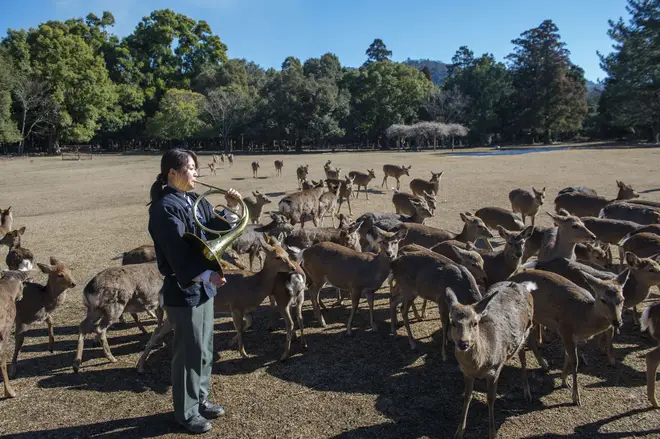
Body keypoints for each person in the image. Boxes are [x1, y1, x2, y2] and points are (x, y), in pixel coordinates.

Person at [148, 148, 242, 434]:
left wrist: (230, 209)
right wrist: (206, 274)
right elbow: (177, 252)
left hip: (203, 289)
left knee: (204, 349)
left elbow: (211, 232)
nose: (196, 173)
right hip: (184, 289)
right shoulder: (164, 208)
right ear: (172, 174)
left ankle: (200, 400)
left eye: (195, 167)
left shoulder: (193, 200)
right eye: (190, 168)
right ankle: (186, 413)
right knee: (188, 353)